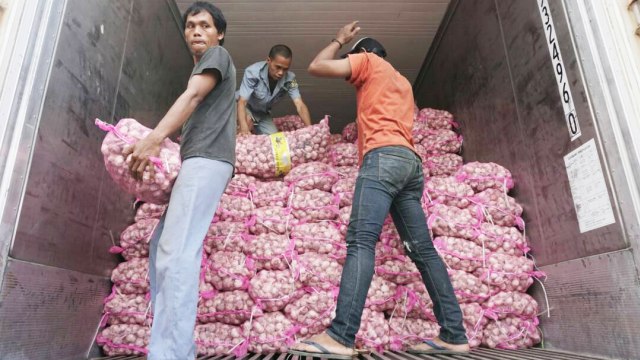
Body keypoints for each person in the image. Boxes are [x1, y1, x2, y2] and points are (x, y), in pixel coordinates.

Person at [288, 22, 470, 358]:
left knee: (361, 242)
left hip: (382, 159)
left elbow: (317, 66)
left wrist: (339, 40)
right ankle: (454, 333)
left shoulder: (368, 61)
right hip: (410, 166)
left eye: (352, 59)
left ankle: (341, 336)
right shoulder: (402, 81)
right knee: (424, 251)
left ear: (363, 54)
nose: (350, 69)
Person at [122, 2, 236, 359]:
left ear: (219, 33)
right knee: (162, 247)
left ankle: (171, 353)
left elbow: (192, 95)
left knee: (176, 254)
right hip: (200, 161)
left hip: (207, 162)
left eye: (204, 25)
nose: (196, 31)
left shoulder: (217, 56)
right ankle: (170, 345)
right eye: (190, 26)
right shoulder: (205, 63)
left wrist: (155, 138)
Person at [236, 44, 312, 135]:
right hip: (242, 106)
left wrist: (310, 129)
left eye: (285, 69)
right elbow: (242, 102)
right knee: (246, 124)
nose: (281, 73)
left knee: (276, 140)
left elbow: (299, 104)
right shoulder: (252, 72)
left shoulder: (291, 80)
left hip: (262, 113)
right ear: (268, 60)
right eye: (278, 67)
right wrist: (244, 128)